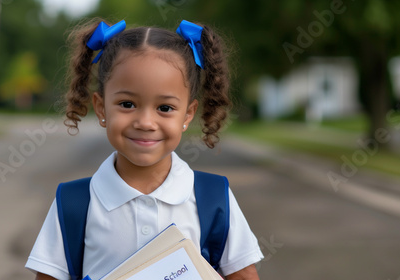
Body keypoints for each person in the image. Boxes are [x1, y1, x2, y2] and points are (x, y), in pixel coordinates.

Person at [26, 18, 263, 280]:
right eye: (127, 104)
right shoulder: (73, 204)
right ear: (101, 107)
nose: (146, 123)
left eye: (165, 108)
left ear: (187, 115)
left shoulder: (214, 198)